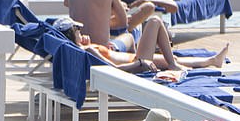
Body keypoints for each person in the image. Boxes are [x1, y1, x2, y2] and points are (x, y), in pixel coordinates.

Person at [54, 16, 229, 74]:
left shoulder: (81, 49)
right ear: (72, 33)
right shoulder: (89, 50)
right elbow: (112, 68)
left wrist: (85, 43)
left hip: (135, 58)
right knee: (154, 21)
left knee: (170, 58)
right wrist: (139, 63)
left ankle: (213, 60)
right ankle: (174, 65)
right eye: (77, 29)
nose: (81, 31)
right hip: (137, 62)